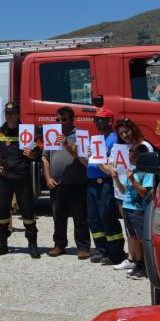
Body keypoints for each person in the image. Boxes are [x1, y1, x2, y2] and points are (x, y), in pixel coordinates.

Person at [0, 102, 40, 258]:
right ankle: (2, 245)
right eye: (7, 113)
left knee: (28, 213)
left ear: (18, 115)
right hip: (5, 179)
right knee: (3, 213)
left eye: (12, 113)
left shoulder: (26, 131)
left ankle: (32, 245)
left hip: (22, 178)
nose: (9, 116)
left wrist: (32, 154)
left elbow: (37, 153)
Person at [79, 108, 126, 265]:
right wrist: (82, 153)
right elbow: (88, 163)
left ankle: (116, 252)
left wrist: (99, 154)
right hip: (91, 183)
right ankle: (101, 249)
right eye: (95, 120)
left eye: (100, 120)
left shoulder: (115, 139)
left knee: (107, 216)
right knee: (94, 218)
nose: (97, 123)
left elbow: (116, 162)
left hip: (105, 182)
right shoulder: (95, 139)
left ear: (109, 121)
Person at [42, 106, 90, 259]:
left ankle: (83, 247)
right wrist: (48, 177)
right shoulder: (51, 134)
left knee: (80, 217)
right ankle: (59, 245)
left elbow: (83, 159)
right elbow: (45, 157)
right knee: (58, 217)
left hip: (77, 182)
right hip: (57, 183)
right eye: (58, 119)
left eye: (64, 119)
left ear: (72, 119)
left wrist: (66, 144)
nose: (60, 122)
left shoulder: (80, 135)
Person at [108, 144, 153, 279]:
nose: (128, 157)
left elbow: (144, 193)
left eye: (131, 155)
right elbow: (123, 191)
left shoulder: (147, 172)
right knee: (133, 237)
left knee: (141, 238)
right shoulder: (132, 170)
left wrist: (133, 179)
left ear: (138, 157)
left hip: (138, 210)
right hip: (127, 207)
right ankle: (138, 264)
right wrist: (116, 178)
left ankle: (145, 265)